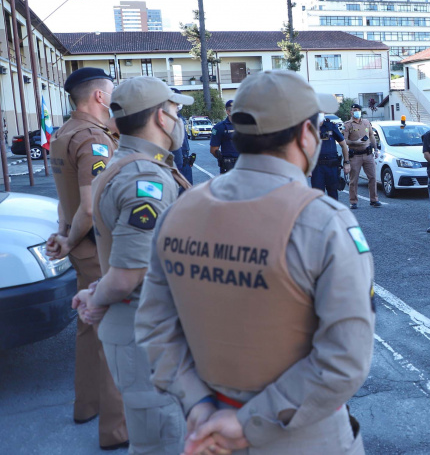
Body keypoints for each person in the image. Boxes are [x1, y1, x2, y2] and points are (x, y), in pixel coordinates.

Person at [135, 70, 375, 455]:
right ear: (305, 135)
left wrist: (196, 403)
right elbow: (344, 359)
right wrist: (246, 424)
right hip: (302, 436)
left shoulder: (180, 210)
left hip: (208, 428)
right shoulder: (324, 221)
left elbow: (153, 325)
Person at [70, 76, 193, 454]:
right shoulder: (146, 178)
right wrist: (98, 297)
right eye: (175, 111)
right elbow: (127, 275)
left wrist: (95, 289)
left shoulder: (124, 161)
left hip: (139, 328)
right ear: (160, 117)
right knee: (163, 439)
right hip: (146, 333)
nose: (177, 119)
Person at [45, 67, 128, 451]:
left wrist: (64, 237)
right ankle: (116, 430)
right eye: (111, 91)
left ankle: (86, 405)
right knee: (111, 335)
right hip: (96, 248)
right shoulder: (94, 139)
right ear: (98, 97)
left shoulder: (63, 134)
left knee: (87, 329)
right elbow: (91, 207)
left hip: (78, 245)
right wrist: (72, 236)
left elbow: (69, 202)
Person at [345, 103, 381, 209]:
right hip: (355, 155)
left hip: (368, 154)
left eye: (357, 110)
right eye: (353, 110)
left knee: (373, 177)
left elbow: (371, 136)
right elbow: (344, 140)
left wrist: (376, 149)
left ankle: (374, 200)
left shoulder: (366, 122)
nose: (355, 112)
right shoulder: (347, 124)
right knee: (354, 179)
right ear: (351, 112)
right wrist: (355, 142)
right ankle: (353, 201)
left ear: (360, 111)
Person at [312, 115, 350, 200]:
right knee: (317, 196)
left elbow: (343, 145)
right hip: (317, 167)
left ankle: (333, 213)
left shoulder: (331, 126)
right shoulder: (309, 128)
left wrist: (346, 163)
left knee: (333, 195)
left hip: (331, 166)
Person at [170, 88, 194, 186]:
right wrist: (179, 167)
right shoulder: (169, 120)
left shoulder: (179, 117)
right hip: (176, 165)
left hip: (184, 162)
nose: (179, 104)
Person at [211, 99, 239, 174]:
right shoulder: (219, 127)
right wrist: (223, 160)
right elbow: (213, 150)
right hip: (229, 166)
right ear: (228, 112)